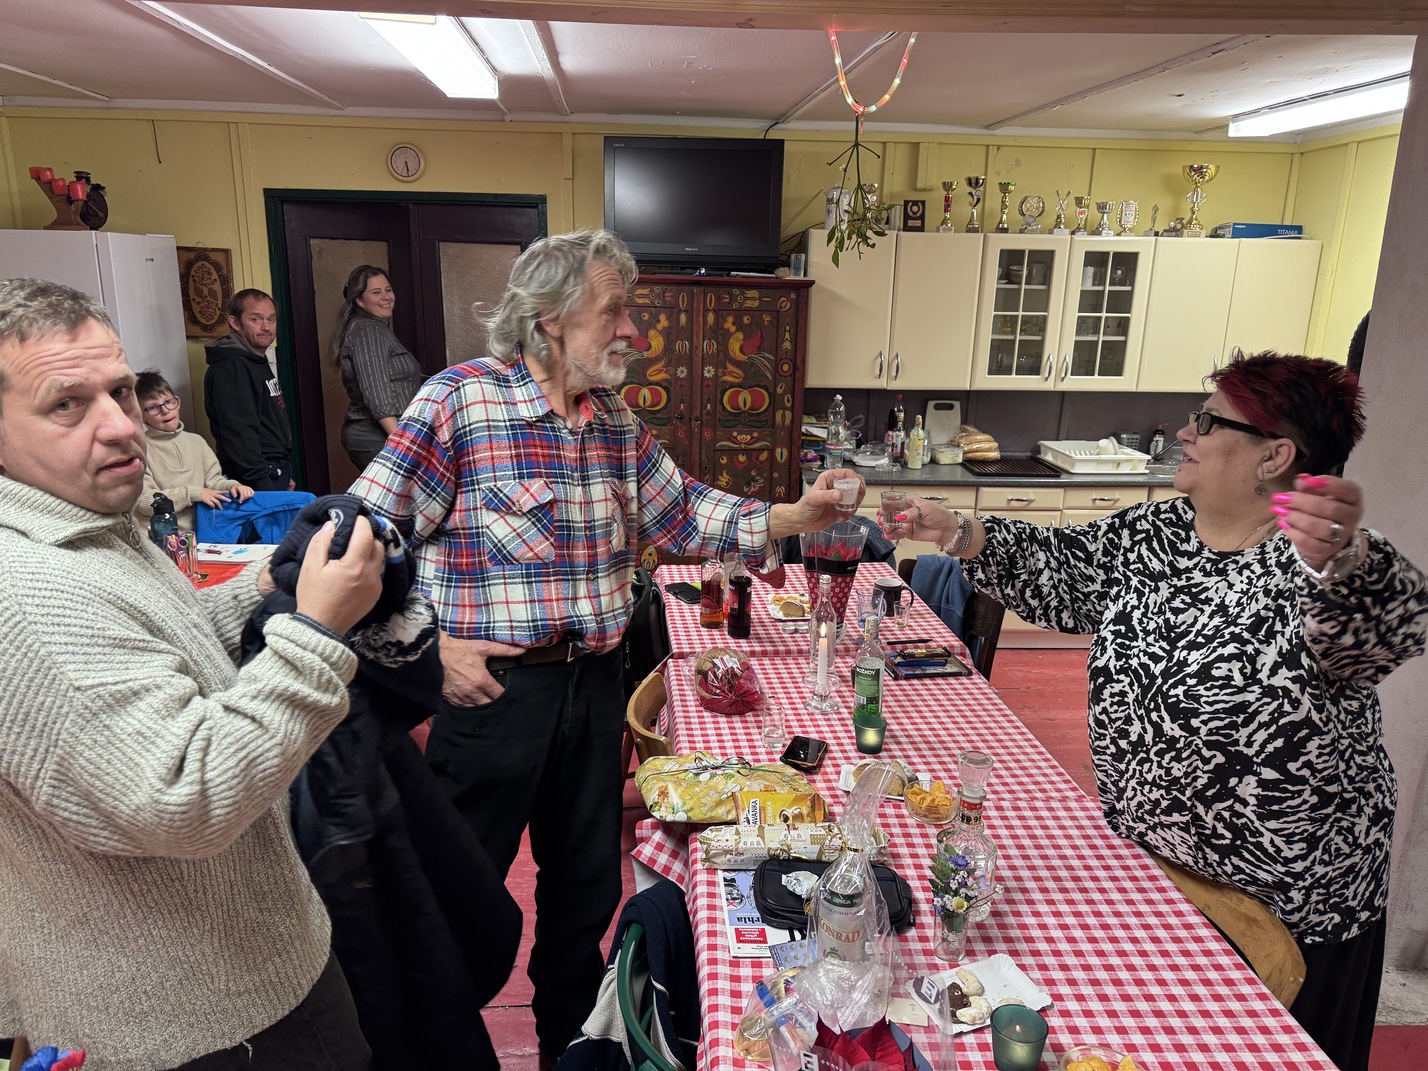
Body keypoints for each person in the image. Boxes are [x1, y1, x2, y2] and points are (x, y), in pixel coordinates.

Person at [350, 228, 865, 1059]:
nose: (634, 330)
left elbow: (686, 511)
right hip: (494, 699)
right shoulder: (460, 404)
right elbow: (362, 542)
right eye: (615, 310)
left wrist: (795, 516)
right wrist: (425, 648)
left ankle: (573, 1052)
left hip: (593, 690)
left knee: (584, 899)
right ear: (550, 317)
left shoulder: (614, 420)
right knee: (455, 905)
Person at [885, 351, 1427, 1071]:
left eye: (1208, 421)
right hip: (1152, 869)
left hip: (1290, 909)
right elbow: (1062, 570)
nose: (1186, 431)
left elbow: (1395, 623)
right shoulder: (1160, 533)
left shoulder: (1324, 566)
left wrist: (1347, 558)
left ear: (1273, 456)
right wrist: (958, 530)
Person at [0, 277, 386, 1069]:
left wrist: (268, 584)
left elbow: (154, 654)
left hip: (234, 975)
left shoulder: (89, 526)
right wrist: (315, 630)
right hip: (204, 1021)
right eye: (66, 405)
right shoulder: (28, 595)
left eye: (119, 391)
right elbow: (187, 794)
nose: (122, 425)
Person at [133, 368, 253, 533]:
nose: (165, 410)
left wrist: (232, 486)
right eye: (153, 407)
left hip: (202, 533)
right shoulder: (139, 450)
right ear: (140, 415)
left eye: (169, 402)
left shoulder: (197, 442)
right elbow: (145, 502)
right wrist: (192, 494)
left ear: (178, 402)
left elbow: (213, 481)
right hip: (162, 538)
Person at [205, 288, 296, 491]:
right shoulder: (233, 367)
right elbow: (240, 434)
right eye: (256, 319)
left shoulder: (254, 359)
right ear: (235, 323)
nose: (266, 327)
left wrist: (283, 473)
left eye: (271, 319)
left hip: (273, 469)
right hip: (255, 477)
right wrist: (263, 483)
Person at [335, 266, 425, 470]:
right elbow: (378, 396)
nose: (386, 297)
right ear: (360, 301)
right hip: (378, 434)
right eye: (376, 292)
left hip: (386, 433)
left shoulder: (376, 328)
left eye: (388, 290)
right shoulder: (368, 330)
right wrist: (403, 445)